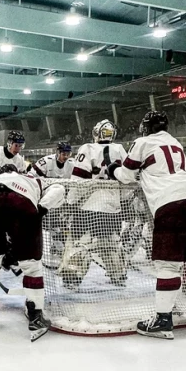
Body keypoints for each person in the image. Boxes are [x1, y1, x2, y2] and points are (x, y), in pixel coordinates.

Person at [109, 111, 186, 339]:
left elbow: (127, 175)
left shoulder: (143, 142)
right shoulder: (176, 143)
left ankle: (163, 319)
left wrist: (113, 170)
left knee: (168, 267)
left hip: (171, 202)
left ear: (146, 127)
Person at [0, 165, 65, 341]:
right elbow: (59, 189)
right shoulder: (32, 179)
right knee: (31, 267)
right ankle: (35, 316)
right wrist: (41, 209)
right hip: (21, 203)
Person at [58, 119, 129, 287]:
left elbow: (79, 180)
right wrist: (121, 199)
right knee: (110, 242)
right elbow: (128, 180)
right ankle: (118, 274)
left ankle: (73, 276)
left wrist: (70, 201)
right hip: (112, 207)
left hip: (89, 206)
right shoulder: (120, 149)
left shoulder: (87, 148)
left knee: (79, 242)